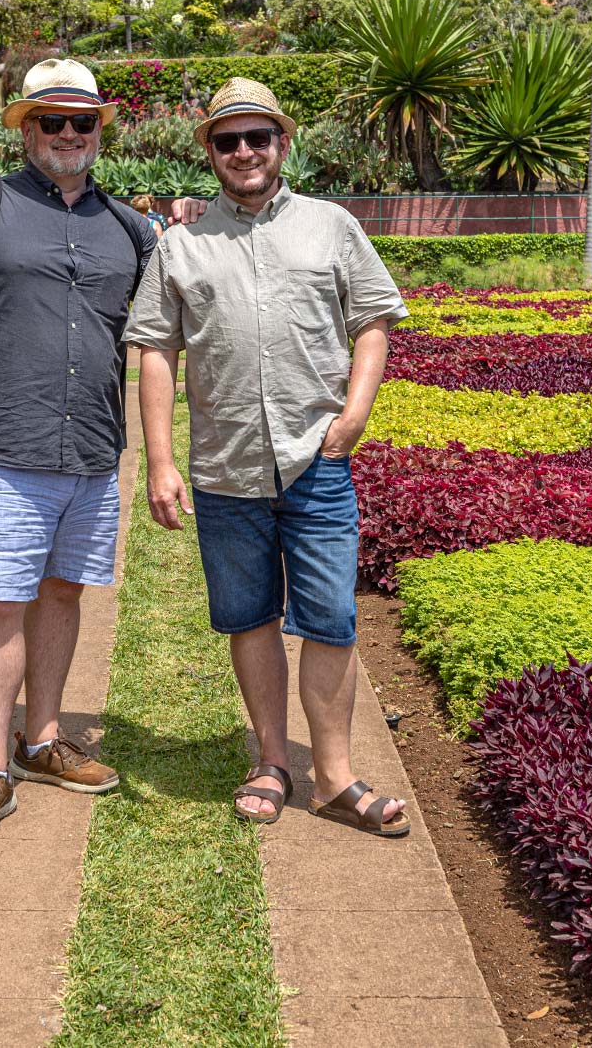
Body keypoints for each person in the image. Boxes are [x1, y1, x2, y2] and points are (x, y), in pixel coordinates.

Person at [125, 78, 412, 838]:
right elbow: (155, 349)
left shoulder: (332, 225)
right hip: (225, 467)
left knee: (332, 619)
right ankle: (271, 760)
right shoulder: (182, 241)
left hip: (316, 460)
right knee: (249, 617)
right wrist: (160, 460)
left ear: (283, 144)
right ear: (210, 153)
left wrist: (354, 414)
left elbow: (375, 322)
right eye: (228, 140)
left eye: (258, 137)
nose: (245, 152)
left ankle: (336, 774)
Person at [0, 58, 155, 846]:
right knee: (0, 605)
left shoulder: (130, 227)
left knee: (63, 595)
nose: (70, 135)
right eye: (54, 121)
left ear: (99, 130)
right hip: (5, 450)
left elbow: (155, 337)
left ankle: (41, 740)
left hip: (89, 451)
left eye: (84, 121)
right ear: (25, 127)